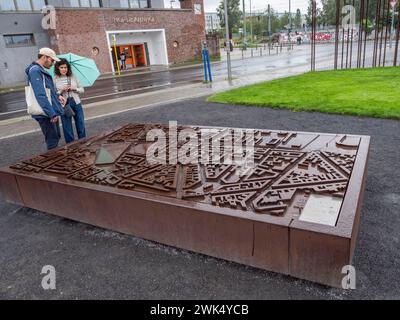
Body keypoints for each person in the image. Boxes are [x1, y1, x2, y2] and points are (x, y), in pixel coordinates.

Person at [25, 48, 65, 150]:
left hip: (48, 111)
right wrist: (51, 113)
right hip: (45, 113)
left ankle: (55, 161)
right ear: (44, 57)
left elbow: (48, 90)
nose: (53, 64)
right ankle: (54, 162)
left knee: (56, 137)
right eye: (52, 60)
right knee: (52, 140)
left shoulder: (40, 70)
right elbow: (40, 94)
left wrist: (58, 96)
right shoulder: (35, 70)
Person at [54, 58, 87, 144]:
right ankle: (71, 146)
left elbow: (82, 89)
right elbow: (54, 94)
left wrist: (74, 89)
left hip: (76, 102)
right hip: (64, 104)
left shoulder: (73, 76)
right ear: (58, 68)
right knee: (67, 127)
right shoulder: (55, 79)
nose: (64, 69)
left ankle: (83, 143)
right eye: (61, 67)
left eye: (65, 67)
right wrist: (61, 90)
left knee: (80, 124)